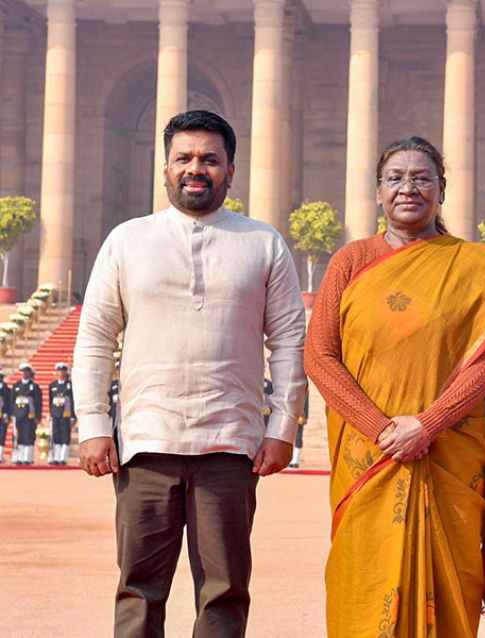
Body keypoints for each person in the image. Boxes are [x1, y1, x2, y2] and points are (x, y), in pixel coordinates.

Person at [305, 136, 485, 637]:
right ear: (377, 191)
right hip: (369, 457)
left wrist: (427, 424)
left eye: (422, 177)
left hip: (449, 454)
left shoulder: (479, 269)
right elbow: (319, 357)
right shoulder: (349, 262)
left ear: (442, 189)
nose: (408, 188)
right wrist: (383, 430)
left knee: (450, 589)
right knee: (361, 579)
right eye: (395, 178)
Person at [73, 110, 307, 638]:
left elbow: (289, 341)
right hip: (145, 443)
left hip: (228, 443)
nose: (195, 169)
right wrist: (91, 424)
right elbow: (94, 338)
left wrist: (282, 428)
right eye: (183, 158)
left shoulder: (263, 243)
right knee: (138, 589)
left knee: (224, 592)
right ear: (165, 169)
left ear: (230, 170)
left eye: (209, 159)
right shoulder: (127, 240)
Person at [12, 362, 42, 465]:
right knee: (20, 436)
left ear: (30, 373)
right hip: (19, 414)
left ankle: (28, 457)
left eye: (26, 371)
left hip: (30, 415)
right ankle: (20, 457)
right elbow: (12, 401)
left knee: (29, 435)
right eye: (22, 371)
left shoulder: (34, 387)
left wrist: (38, 416)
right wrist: (13, 414)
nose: (24, 373)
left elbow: (38, 403)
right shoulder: (16, 385)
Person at [48, 362, 76, 465]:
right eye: (59, 371)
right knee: (56, 435)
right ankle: (57, 457)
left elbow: (73, 401)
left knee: (65, 436)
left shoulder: (70, 385)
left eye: (63, 371)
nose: (61, 373)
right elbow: (50, 400)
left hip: (66, 414)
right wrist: (51, 414)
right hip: (56, 414)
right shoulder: (52, 385)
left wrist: (73, 416)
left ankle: (63, 458)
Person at [289, 392, 307, 468]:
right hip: (288, 416)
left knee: (298, 437)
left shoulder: (304, 388)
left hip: (299, 416)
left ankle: (295, 460)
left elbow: (306, 404)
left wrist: (306, 416)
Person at [0, 370, 11, 463]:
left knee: (2, 435)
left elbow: (8, 403)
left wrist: (7, 414)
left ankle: (0, 455)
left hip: (2, 415)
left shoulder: (6, 389)